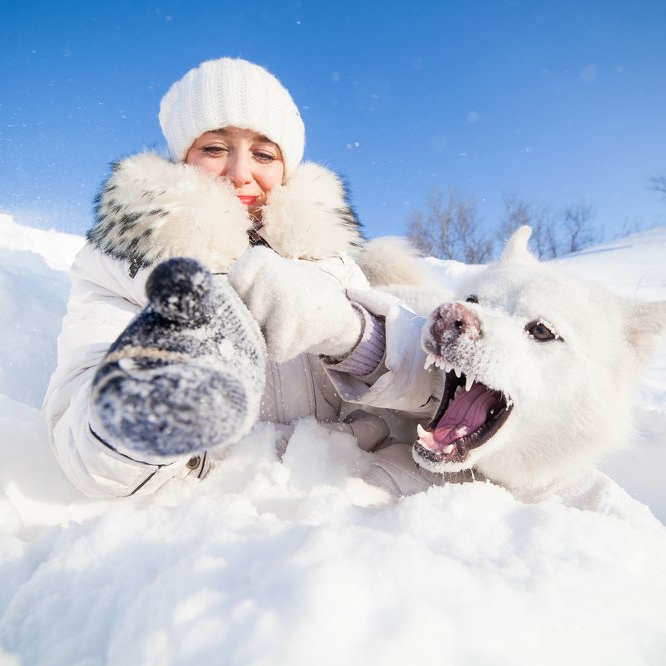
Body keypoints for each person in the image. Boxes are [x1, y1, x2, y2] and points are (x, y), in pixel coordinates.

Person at [43, 57, 453, 498]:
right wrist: (160, 390)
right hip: (207, 522)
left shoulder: (332, 263)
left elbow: (431, 395)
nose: (241, 173)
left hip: (342, 508)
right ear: (182, 156)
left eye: (263, 154)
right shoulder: (126, 262)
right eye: (215, 149)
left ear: (286, 167)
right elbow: (88, 458)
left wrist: (352, 335)